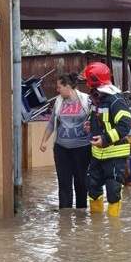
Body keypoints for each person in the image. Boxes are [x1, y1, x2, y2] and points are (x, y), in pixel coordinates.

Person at [82, 62, 131, 217]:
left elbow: (125, 125)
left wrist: (105, 139)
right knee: (93, 189)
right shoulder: (97, 99)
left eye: (87, 81)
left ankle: (113, 231)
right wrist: (91, 126)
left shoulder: (115, 100)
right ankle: (96, 229)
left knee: (113, 192)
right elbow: (101, 120)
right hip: (97, 155)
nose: (86, 84)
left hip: (115, 155)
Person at [40, 73, 91, 209]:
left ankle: (81, 216)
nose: (57, 90)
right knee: (64, 184)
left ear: (68, 86)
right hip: (61, 149)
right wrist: (44, 141)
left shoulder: (86, 100)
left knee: (81, 183)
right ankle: (65, 219)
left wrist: (92, 130)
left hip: (82, 149)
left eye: (59, 87)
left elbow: (96, 121)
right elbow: (52, 123)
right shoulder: (58, 101)